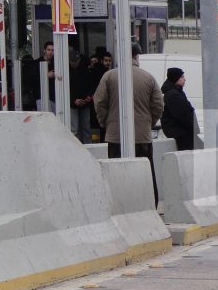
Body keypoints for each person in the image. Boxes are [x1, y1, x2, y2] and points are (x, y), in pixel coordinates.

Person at [93, 43, 164, 204]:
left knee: (116, 174)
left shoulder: (109, 76)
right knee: (145, 173)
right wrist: (148, 122)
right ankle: (149, 204)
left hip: (115, 136)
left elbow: (99, 102)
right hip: (142, 136)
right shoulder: (148, 78)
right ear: (137, 56)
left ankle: (120, 204)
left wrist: (106, 122)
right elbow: (158, 105)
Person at [160, 67, 198, 151]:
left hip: (182, 132)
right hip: (182, 134)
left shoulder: (176, 92)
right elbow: (182, 115)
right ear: (175, 78)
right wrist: (193, 127)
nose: (185, 79)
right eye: (182, 77)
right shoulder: (173, 94)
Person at [67, 49, 93, 144]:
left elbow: (91, 85)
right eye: (72, 62)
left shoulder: (85, 70)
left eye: (76, 62)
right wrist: (73, 100)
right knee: (75, 130)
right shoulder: (67, 71)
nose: (74, 64)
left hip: (83, 103)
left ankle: (86, 147)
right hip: (74, 104)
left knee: (85, 129)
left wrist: (89, 96)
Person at [34, 41, 56, 113]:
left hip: (54, 97)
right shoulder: (37, 63)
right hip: (41, 97)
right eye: (48, 50)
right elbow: (33, 79)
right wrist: (46, 75)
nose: (50, 52)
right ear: (44, 50)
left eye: (52, 50)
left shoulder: (56, 63)